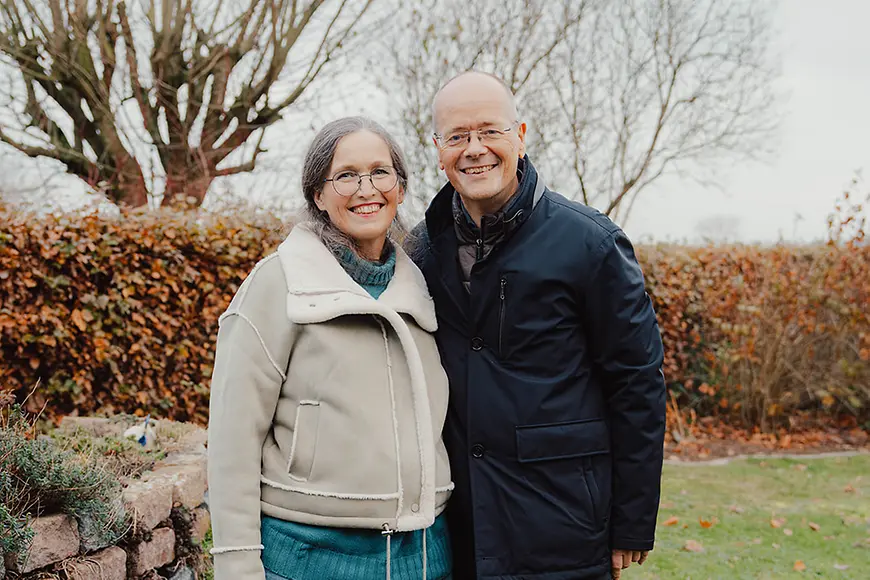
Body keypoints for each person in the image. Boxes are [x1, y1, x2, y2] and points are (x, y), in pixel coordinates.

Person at [407, 71, 667, 580]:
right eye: (457, 136)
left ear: (520, 135)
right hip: (456, 527)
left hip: (563, 523)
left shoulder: (590, 244)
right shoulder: (421, 250)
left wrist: (631, 521)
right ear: (437, 148)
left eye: (490, 131)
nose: (474, 149)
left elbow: (637, 385)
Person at [207, 116, 454, 580]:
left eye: (381, 172)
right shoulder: (276, 284)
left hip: (425, 556)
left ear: (399, 188)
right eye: (345, 176)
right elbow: (231, 443)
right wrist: (236, 564)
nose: (366, 189)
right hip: (310, 555)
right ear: (318, 195)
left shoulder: (425, 286)